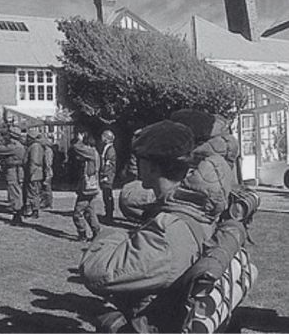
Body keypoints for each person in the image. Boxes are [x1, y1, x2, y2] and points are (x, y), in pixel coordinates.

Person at [80, 120, 220, 332]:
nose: (136, 165)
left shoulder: (166, 233)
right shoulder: (197, 208)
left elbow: (96, 272)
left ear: (153, 167)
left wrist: (115, 235)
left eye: (139, 160)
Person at [70, 132, 101, 242]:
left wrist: (79, 140)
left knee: (77, 213)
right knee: (90, 212)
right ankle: (97, 232)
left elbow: (76, 147)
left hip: (87, 189)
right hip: (92, 187)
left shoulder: (90, 152)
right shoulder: (95, 152)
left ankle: (82, 234)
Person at [0, 128, 26, 225]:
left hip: (14, 170)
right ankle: (17, 213)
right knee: (17, 192)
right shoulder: (19, 146)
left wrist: (1, 141)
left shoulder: (14, 146)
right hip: (17, 170)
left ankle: (17, 215)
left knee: (14, 192)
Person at [23, 129, 45, 219]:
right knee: (34, 192)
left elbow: (34, 160)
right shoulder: (38, 146)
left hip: (34, 173)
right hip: (36, 172)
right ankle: (33, 210)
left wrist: (30, 172)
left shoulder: (34, 146)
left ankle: (33, 210)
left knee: (32, 193)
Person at [99, 129, 117, 223]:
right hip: (107, 174)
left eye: (103, 136)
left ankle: (109, 215)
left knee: (107, 194)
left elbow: (108, 163)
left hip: (108, 175)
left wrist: (104, 174)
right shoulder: (107, 148)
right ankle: (108, 213)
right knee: (105, 194)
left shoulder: (110, 150)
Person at [40, 134, 55, 209]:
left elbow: (48, 162)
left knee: (47, 187)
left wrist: (47, 171)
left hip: (47, 170)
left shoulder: (48, 150)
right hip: (47, 170)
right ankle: (46, 201)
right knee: (45, 187)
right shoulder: (46, 150)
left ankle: (48, 202)